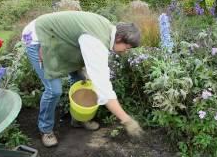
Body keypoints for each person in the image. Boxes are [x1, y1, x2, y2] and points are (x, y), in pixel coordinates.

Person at [21, 11, 143, 147]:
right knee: (53, 90)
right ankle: (45, 129)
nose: (125, 52)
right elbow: (104, 90)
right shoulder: (95, 41)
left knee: (81, 79)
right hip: (37, 37)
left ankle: (78, 118)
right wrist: (126, 120)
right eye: (126, 48)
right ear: (119, 38)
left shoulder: (108, 30)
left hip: (58, 40)